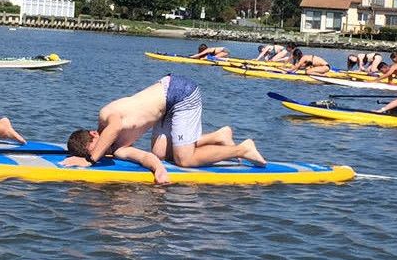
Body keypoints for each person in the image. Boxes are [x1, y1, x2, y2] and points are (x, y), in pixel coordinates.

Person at [62, 74, 267, 183]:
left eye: (96, 147)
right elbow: (146, 158)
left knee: (184, 160)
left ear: (94, 134)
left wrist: (90, 161)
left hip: (181, 93)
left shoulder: (106, 116)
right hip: (166, 108)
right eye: (94, 153)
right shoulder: (117, 149)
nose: (102, 152)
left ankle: (243, 149)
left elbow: (115, 128)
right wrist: (159, 170)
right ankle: (219, 135)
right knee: (160, 153)